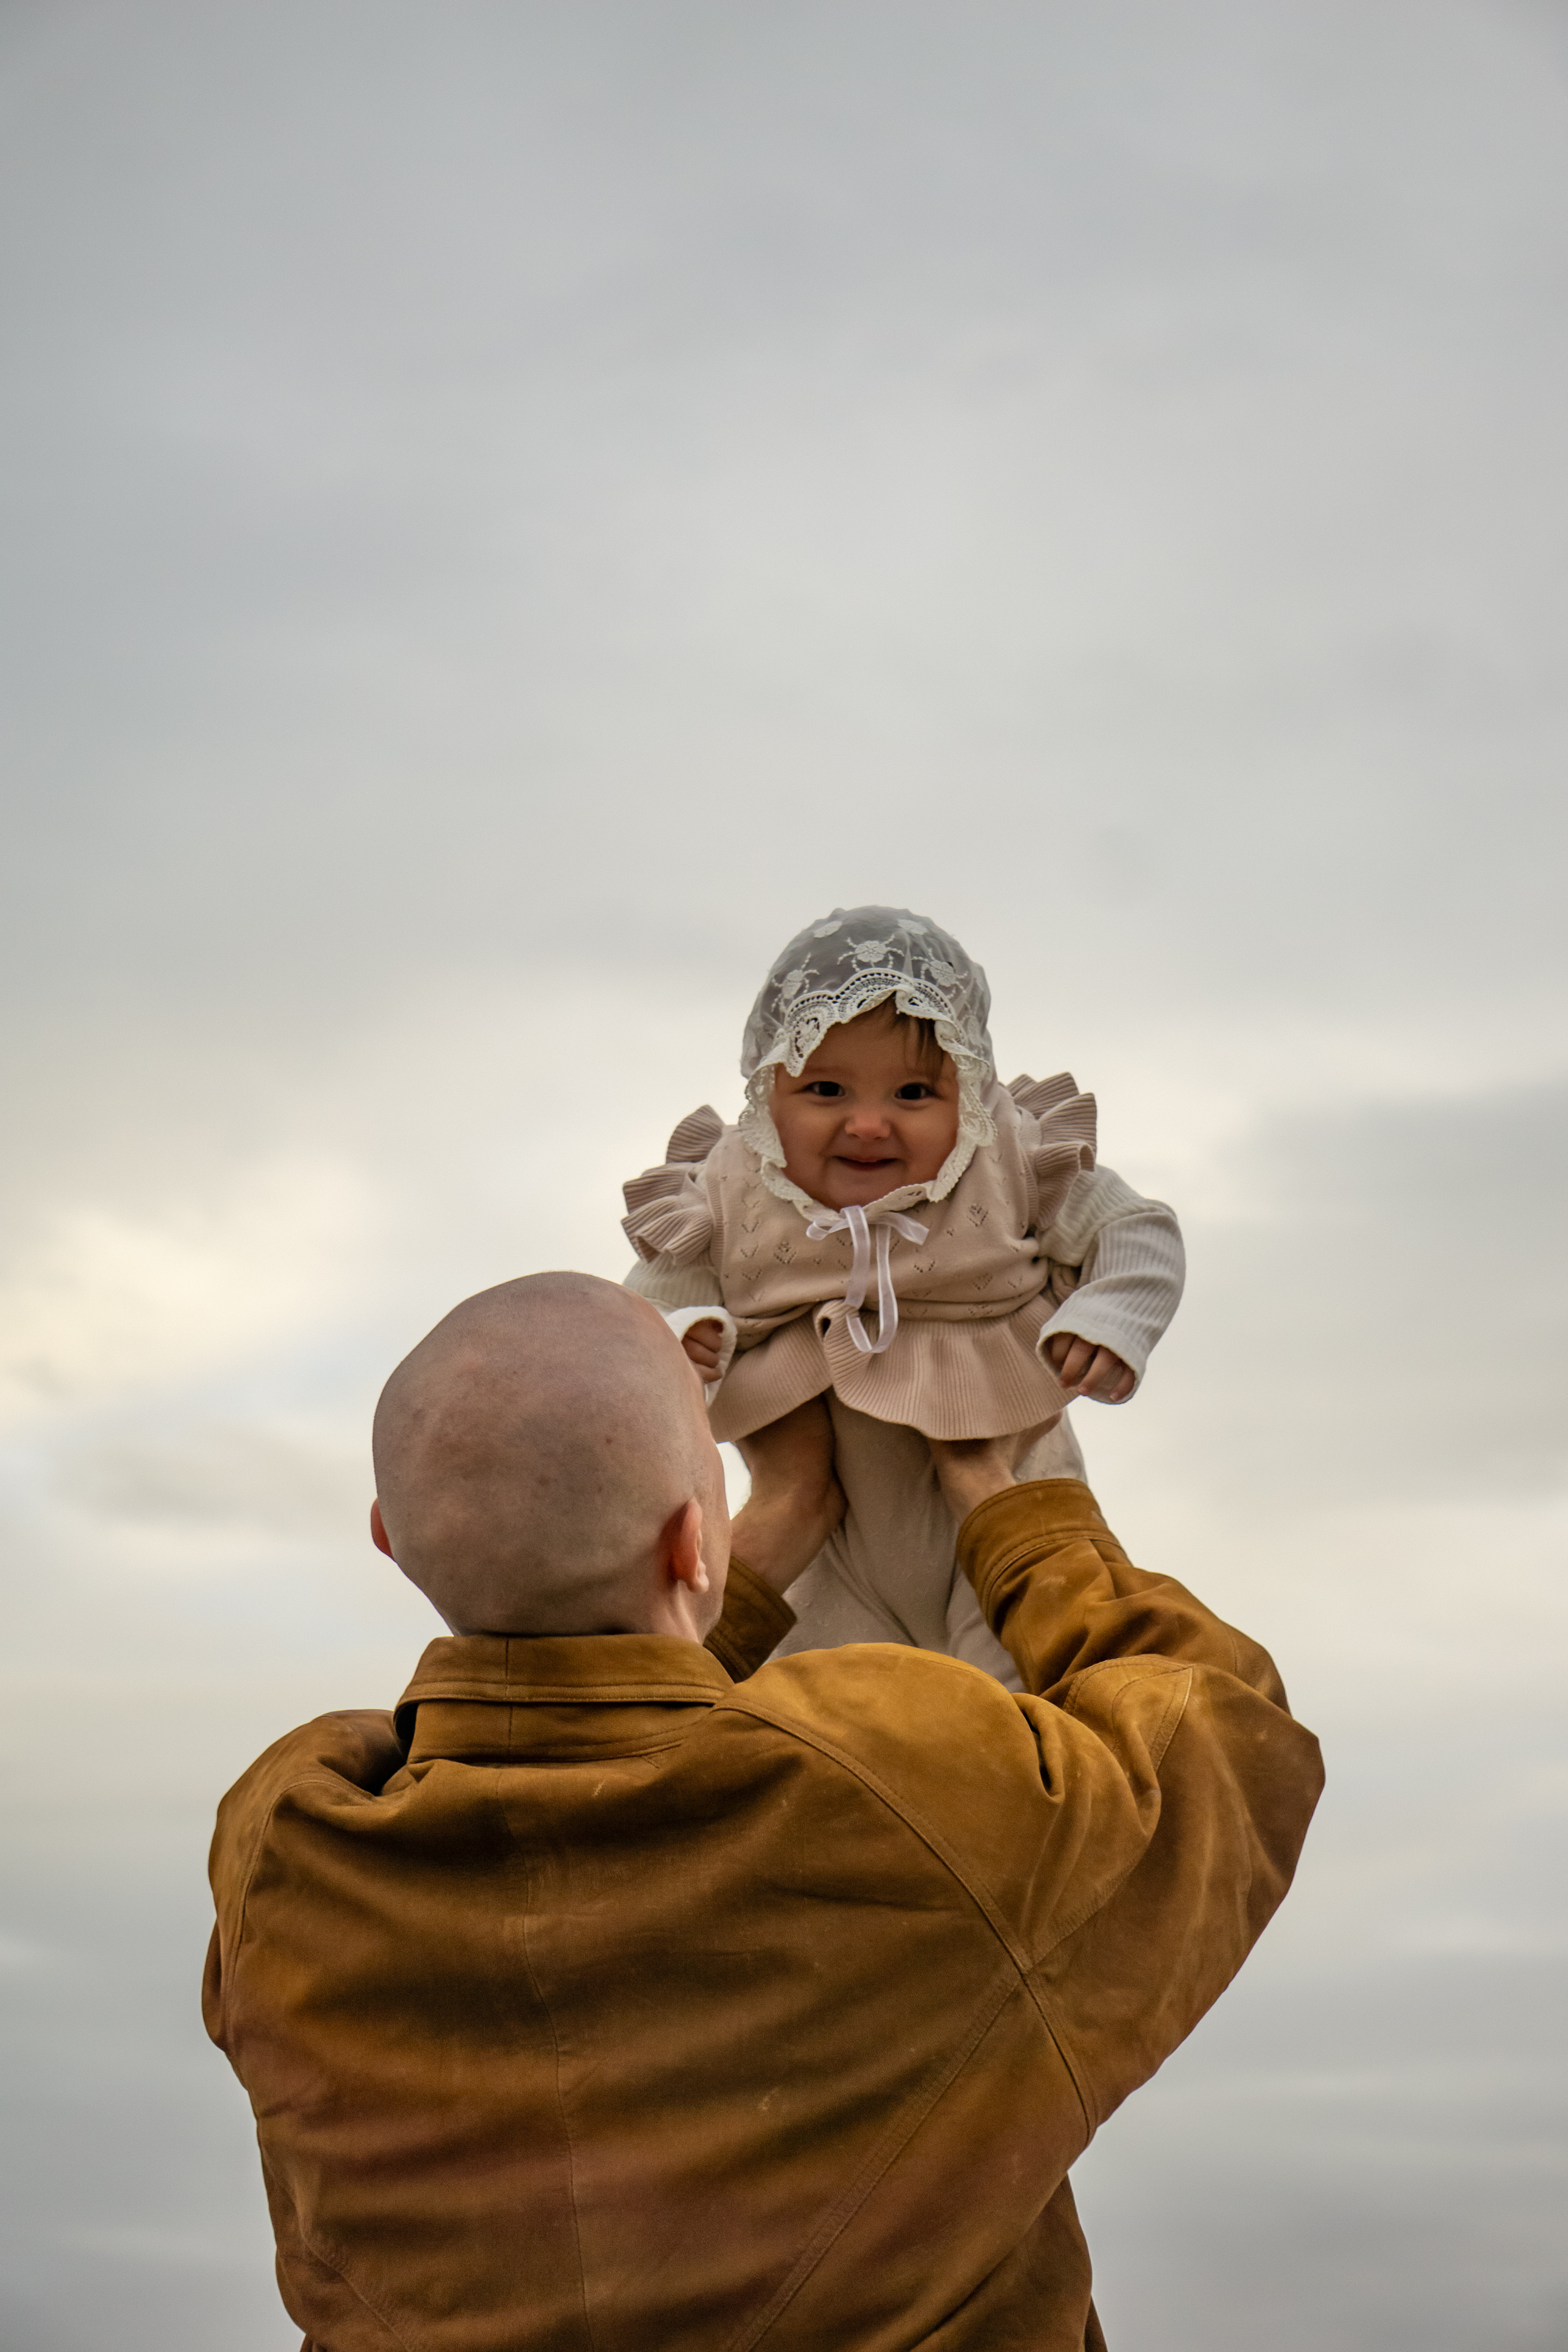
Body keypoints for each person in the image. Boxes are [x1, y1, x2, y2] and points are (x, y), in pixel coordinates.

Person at [205, 1272, 1322, 2352]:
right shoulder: (897, 1790)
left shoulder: (286, 1856)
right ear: (694, 1540)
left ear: (390, 1540)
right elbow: (1226, 1734)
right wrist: (1015, 1510)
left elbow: (522, 1744)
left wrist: (744, 1553)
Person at [622, 906, 1185, 1685]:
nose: (866, 1124)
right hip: (834, 1548)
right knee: (839, 1715)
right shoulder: (731, 1187)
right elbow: (651, 1296)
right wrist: (687, 1332)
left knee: (1020, 1698)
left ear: (970, 1089)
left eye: (914, 1094)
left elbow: (1134, 1228)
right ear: (766, 1091)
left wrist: (1108, 1319)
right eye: (824, 1089)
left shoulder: (1005, 1158)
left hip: (1002, 1491)